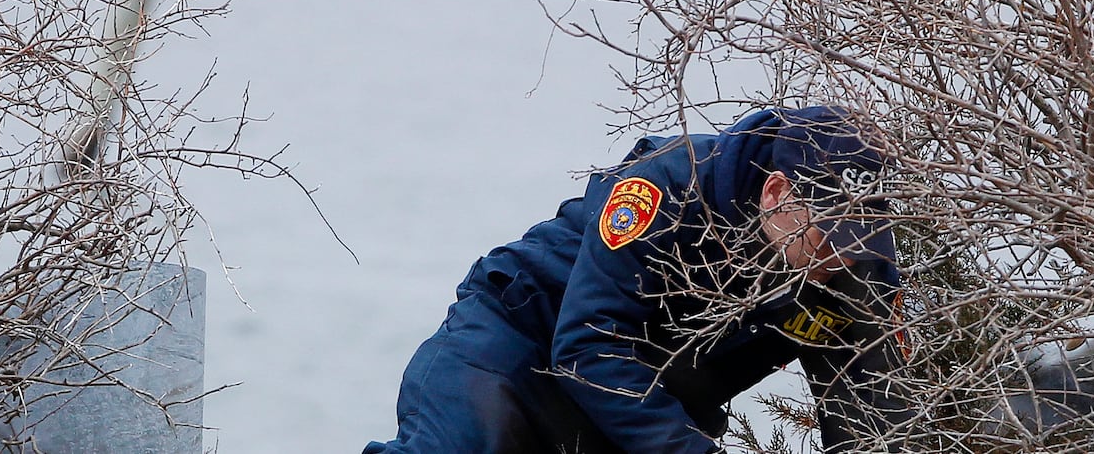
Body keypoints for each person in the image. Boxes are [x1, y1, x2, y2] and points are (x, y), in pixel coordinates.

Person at [361, 104, 911, 454]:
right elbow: (586, 347)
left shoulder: (857, 271)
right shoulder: (665, 189)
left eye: (859, 239)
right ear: (775, 194)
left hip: (641, 406)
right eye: (827, 236)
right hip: (516, 346)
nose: (838, 258)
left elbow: (869, 414)